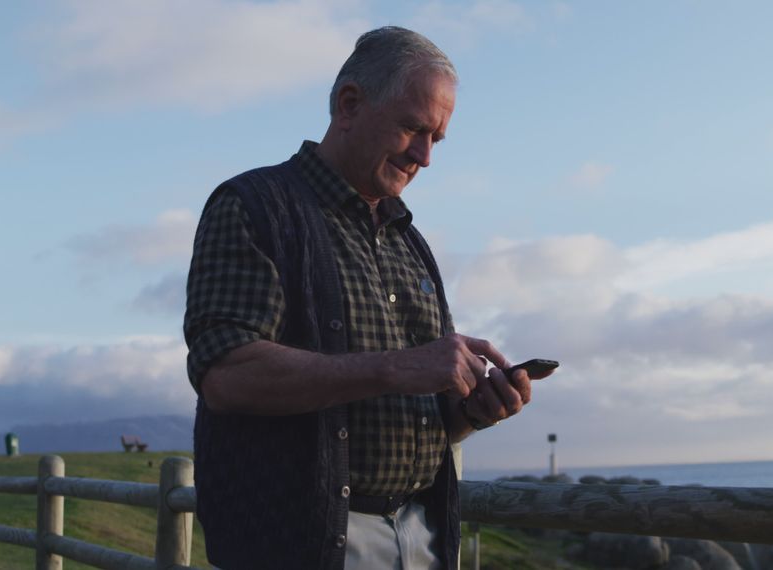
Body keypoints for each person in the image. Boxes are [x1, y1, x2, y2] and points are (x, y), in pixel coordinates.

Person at [183, 26, 551, 569]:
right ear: (349, 104)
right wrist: (397, 367)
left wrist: (471, 411)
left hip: (423, 538)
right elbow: (226, 376)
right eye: (412, 128)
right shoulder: (253, 206)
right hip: (300, 545)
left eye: (437, 139)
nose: (425, 156)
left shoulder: (409, 241)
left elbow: (419, 419)